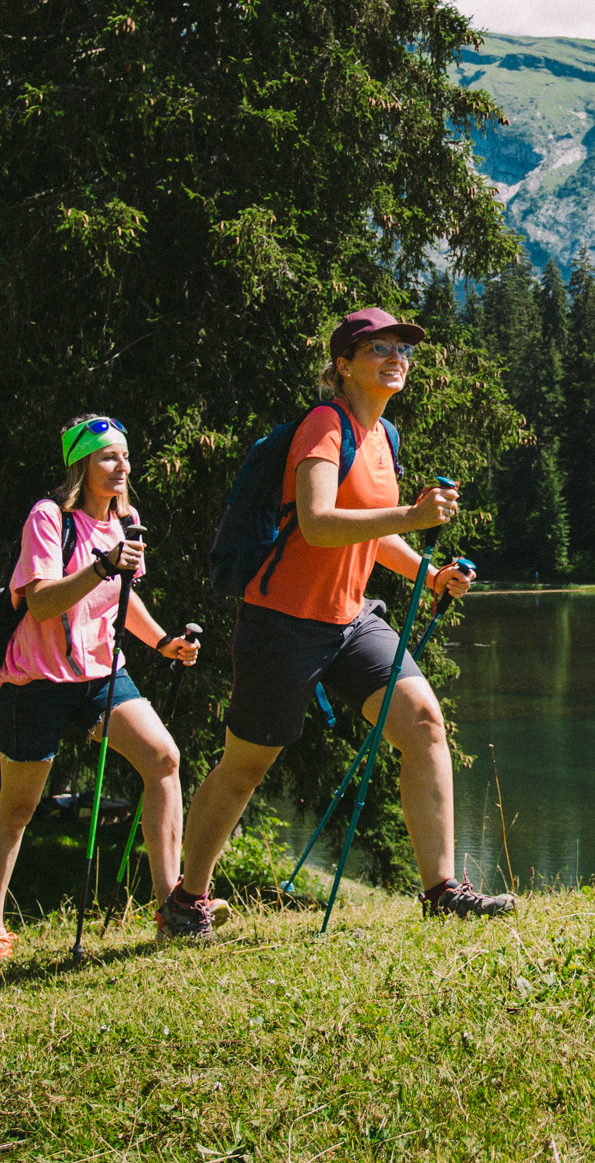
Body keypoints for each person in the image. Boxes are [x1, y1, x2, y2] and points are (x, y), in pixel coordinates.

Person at [167, 307, 512, 936]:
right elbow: (320, 522)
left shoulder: (385, 438)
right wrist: (412, 517)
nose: (395, 359)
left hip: (351, 620)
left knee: (425, 724)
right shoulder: (326, 427)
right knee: (245, 767)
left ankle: (442, 890)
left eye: (402, 350)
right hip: (283, 624)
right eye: (377, 348)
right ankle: (188, 898)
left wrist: (429, 577)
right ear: (344, 365)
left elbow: (372, 537)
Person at [0, 414, 208, 963]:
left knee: (163, 760)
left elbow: (124, 599)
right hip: (36, 681)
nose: (122, 467)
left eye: (125, 456)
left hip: (101, 672)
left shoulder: (127, 521)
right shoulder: (50, 518)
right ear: (82, 465)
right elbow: (43, 601)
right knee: (18, 809)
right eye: (108, 457)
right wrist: (101, 566)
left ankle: (173, 906)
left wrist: (162, 640)